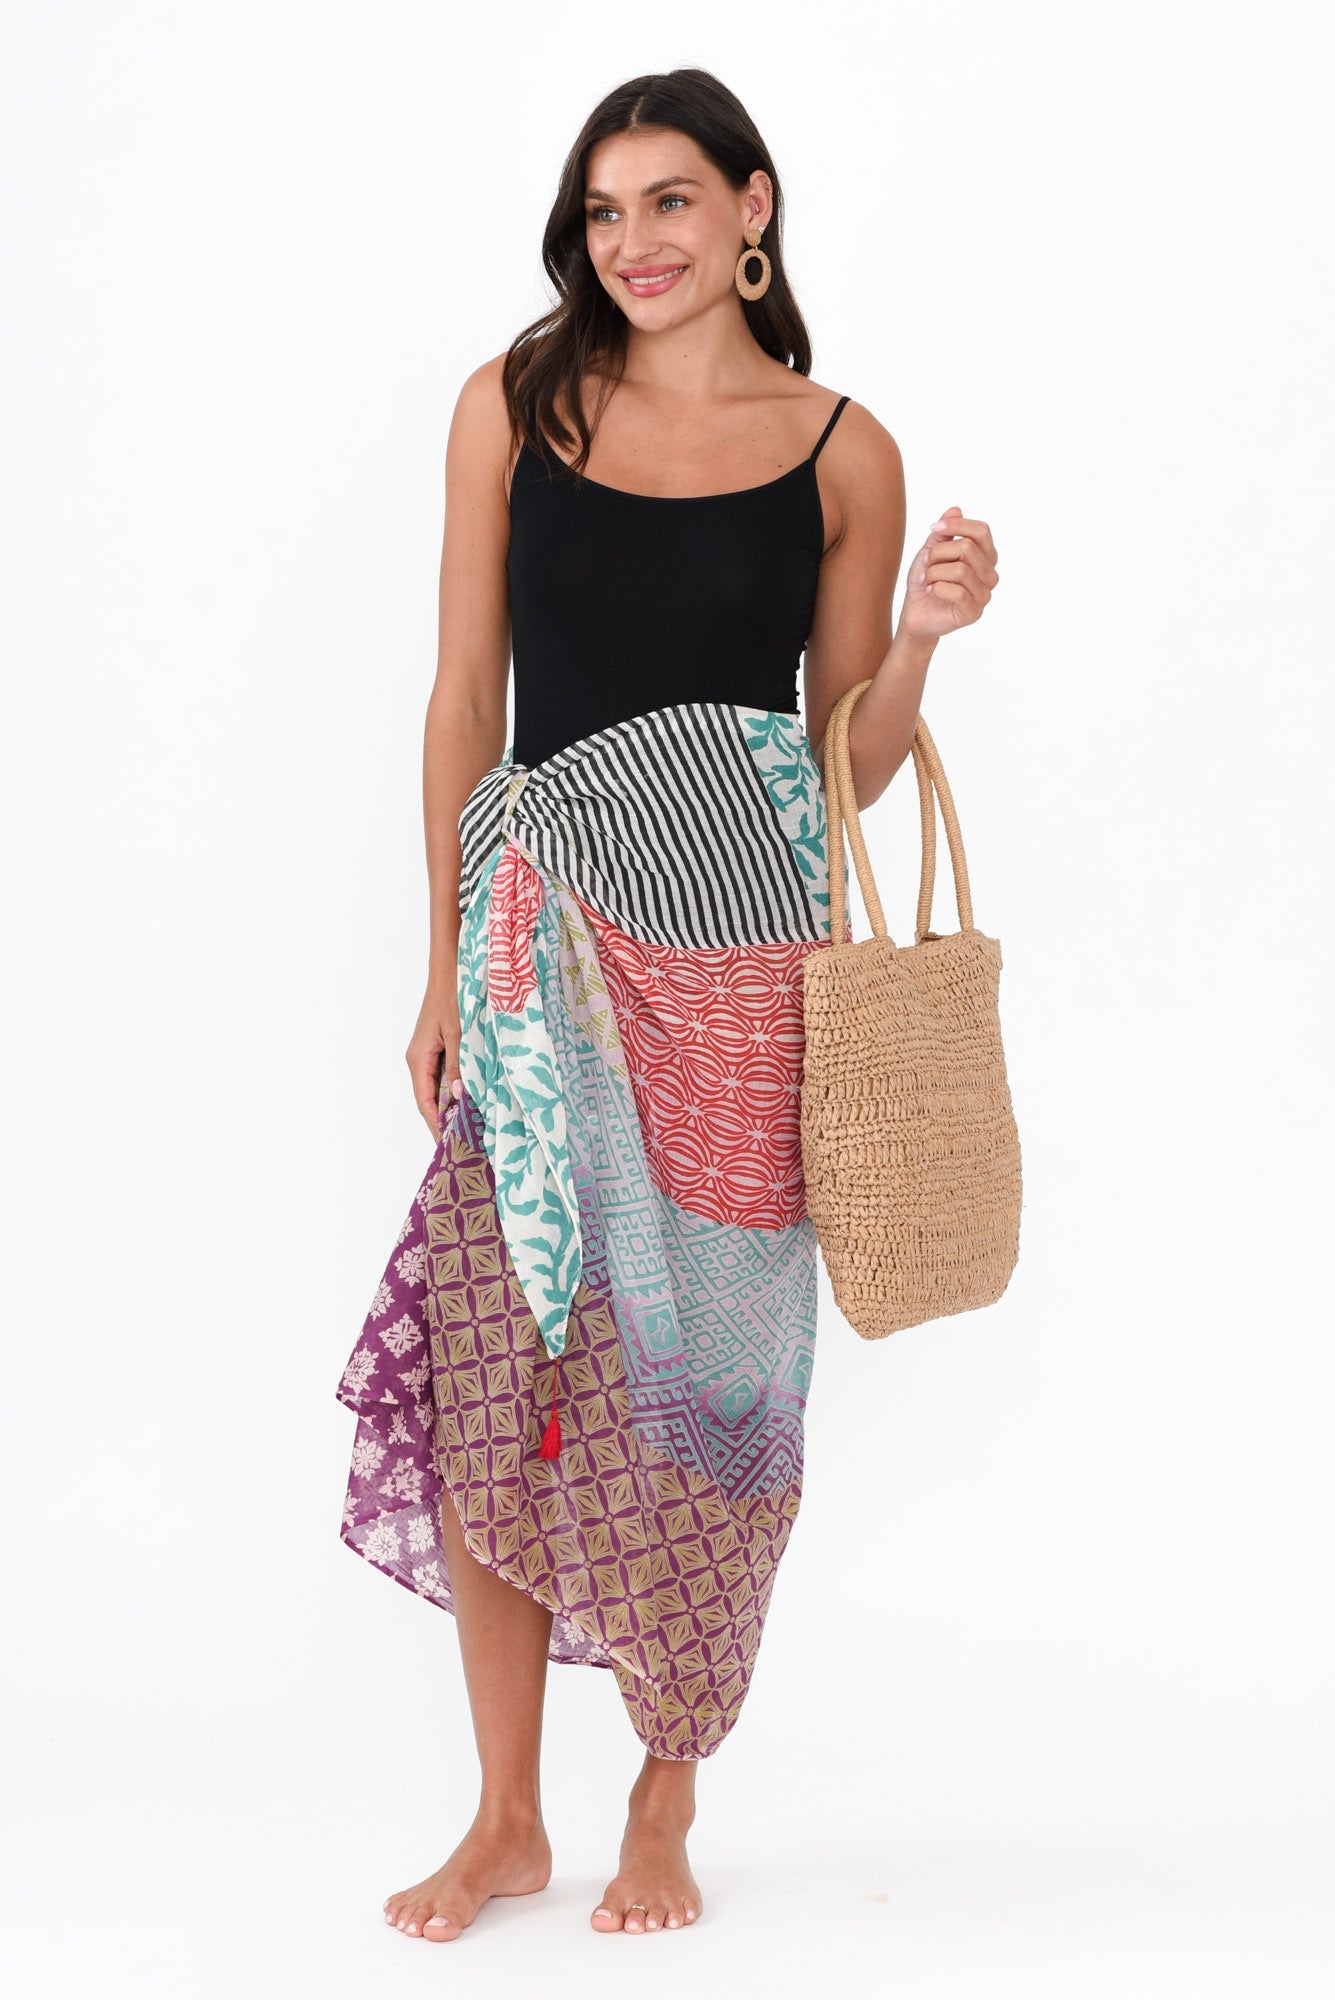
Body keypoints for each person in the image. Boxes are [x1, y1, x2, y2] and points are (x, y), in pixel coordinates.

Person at [335, 65, 999, 1945]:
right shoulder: (516, 404)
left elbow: (846, 762)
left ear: (752, 207)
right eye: (606, 211)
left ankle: (663, 1796)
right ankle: (503, 1817)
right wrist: (439, 959)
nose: (635, 242)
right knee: (499, 1372)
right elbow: (465, 699)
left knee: (708, 1400)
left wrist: (924, 640)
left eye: (673, 201)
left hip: (744, 969)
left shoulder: (842, 452)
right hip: (536, 953)